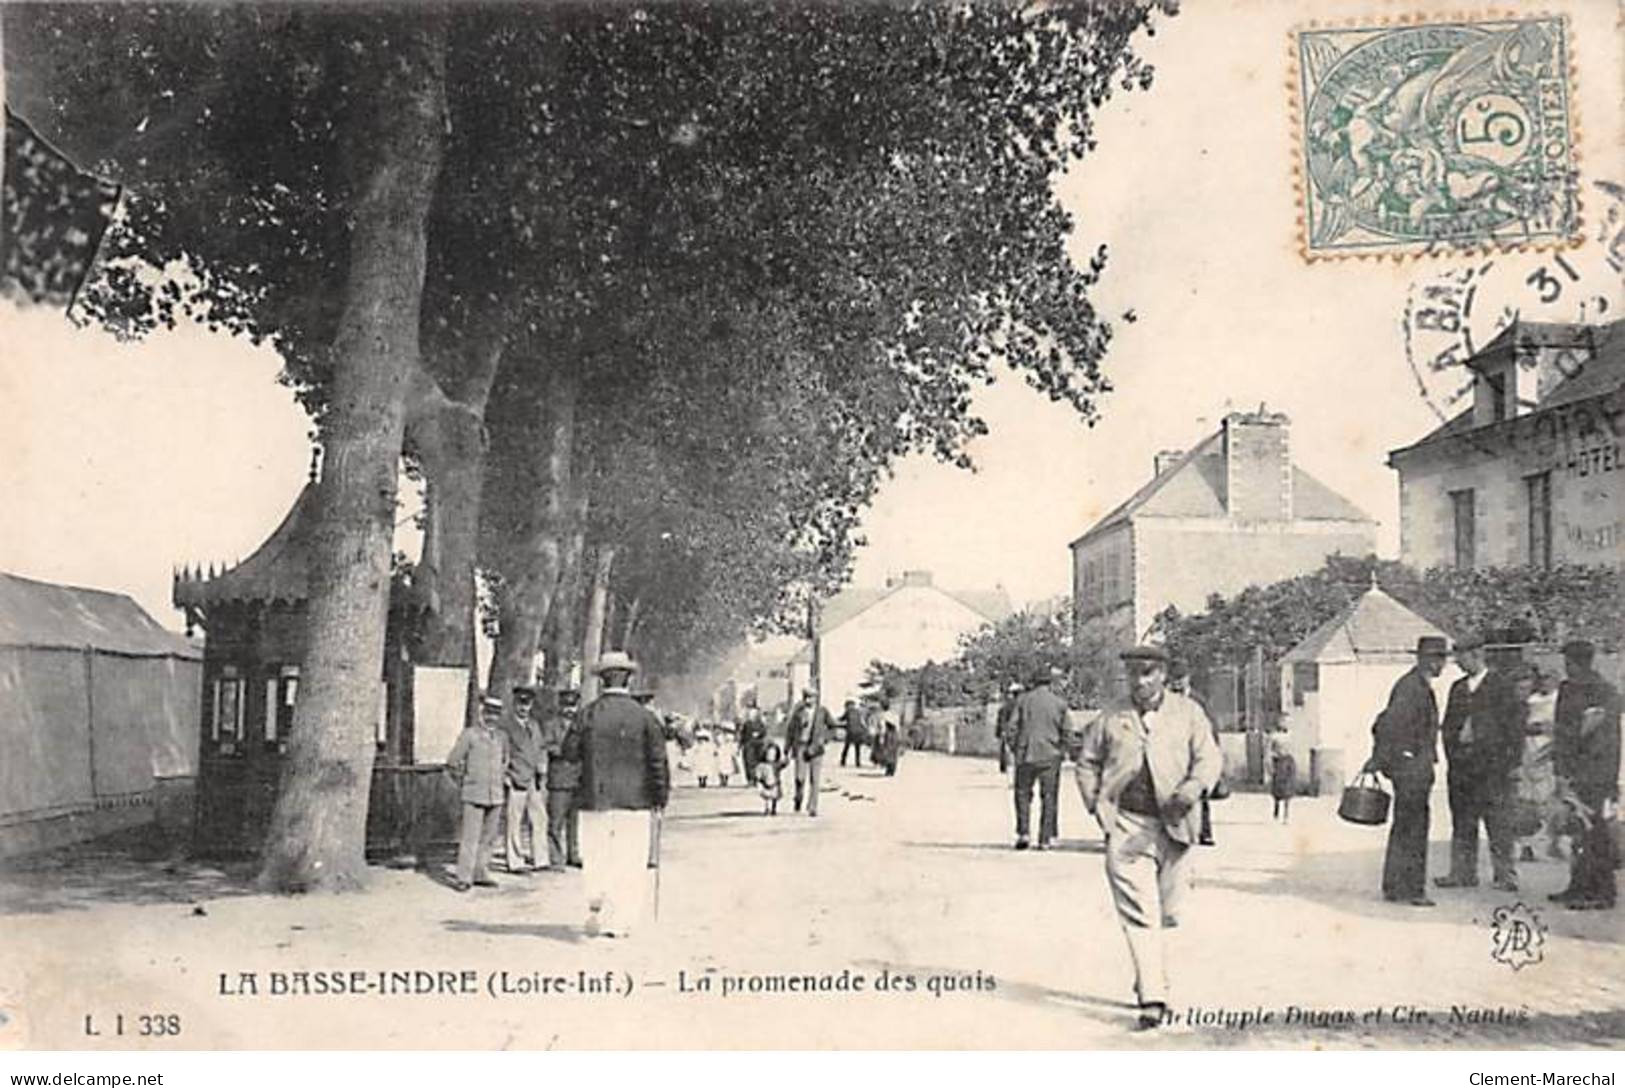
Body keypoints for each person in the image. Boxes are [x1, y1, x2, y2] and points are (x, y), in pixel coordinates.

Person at [1074, 643, 1222, 1031]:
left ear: (1163, 675)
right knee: (1141, 913)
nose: (1139, 682)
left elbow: (1209, 758)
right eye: (1133, 674)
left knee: (1170, 912)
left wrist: (1193, 789)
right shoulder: (1111, 716)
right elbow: (1086, 760)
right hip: (1128, 825)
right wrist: (1096, 804)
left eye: (1148, 673)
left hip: (1178, 824)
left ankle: (1149, 973)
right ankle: (1153, 997)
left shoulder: (1188, 714)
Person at [576, 651, 670, 938]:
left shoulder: (588, 714)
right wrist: (660, 796)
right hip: (635, 800)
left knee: (595, 856)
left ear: (602, 679)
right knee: (629, 859)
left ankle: (597, 906)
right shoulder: (645, 717)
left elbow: (569, 752)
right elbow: (658, 760)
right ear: (628, 678)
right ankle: (620, 921)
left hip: (595, 798)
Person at [1366, 635, 1447, 907]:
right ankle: (1411, 889)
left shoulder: (1416, 685)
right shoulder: (1411, 687)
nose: (1441, 663)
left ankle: (1396, 886)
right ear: (1422, 658)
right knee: (1413, 827)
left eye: (1442, 657)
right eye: (1436, 657)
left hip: (1414, 766)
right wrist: (1404, 754)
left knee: (1406, 825)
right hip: (1411, 769)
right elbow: (1388, 723)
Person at [1435, 636, 1521, 892]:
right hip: (1462, 769)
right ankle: (1462, 873)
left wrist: (1510, 763)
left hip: (1493, 769)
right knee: (1463, 821)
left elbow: (1514, 729)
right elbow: (1448, 727)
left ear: (1476, 654)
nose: (1457, 662)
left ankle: (1505, 875)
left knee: (1499, 822)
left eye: (1460, 656)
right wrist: (1453, 756)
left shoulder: (1502, 687)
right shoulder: (1457, 688)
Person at [1550, 640, 1620, 911]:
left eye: (1570, 662)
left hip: (1595, 774)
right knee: (1577, 832)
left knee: (1596, 833)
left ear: (1582, 663)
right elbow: (1561, 730)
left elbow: (1602, 739)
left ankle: (1602, 892)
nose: (1567, 667)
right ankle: (1578, 885)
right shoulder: (1567, 689)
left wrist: (1600, 779)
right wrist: (1560, 768)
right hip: (1572, 770)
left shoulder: (1604, 692)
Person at [445, 694, 511, 892]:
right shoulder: (470, 735)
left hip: (495, 794)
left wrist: (500, 778)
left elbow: (505, 761)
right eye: (489, 713)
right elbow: (452, 763)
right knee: (470, 837)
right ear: (482, 713)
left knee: (489, 837)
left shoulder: (502, 737)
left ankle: (480, 872)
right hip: (474, 793)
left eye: (496, 714)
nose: (492, 718)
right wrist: (466, 782)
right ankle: (463, 877)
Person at [1009, 668, 1068, 850]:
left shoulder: (1022, 701)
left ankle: (1024, 833)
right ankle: (1045, 839)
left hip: (1026, 755)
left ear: (1033, 682)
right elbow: (1067, 732)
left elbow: (1011, 728)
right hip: (1050, 756)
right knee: (1049, 798)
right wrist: (1062, 751)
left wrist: (1016, 748)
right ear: (1050, 683)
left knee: (1022, 795)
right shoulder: (1059, 704)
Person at [502, 685, 547, 874]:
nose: (523, 707)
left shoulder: (535, 725)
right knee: (514, 820)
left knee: (540, 818)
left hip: (534, 780)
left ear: (531, 705)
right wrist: (505, 775)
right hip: (516, 777)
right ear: (514, 704)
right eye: (520, 703)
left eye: (527, 703)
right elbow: (501, 753)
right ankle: (515, 861)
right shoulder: (506, 726)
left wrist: (542, 767)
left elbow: (541, 747)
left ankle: (541, 859)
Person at [542, 689, 584, 870]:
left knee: (574, 821)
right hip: (558, 779)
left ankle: (573, 854)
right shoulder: (552, 725)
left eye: (573, 706)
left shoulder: (581, 726)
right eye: (566, 706)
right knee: (556, 821)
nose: (570, 710)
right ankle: (556, 858)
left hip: (577, 778)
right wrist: (563, 751)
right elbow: (546, 745)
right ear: (560, 706)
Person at [785, 689, 833, 816]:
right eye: (806, 697)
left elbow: (832, 726)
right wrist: (787, 749)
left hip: (816, 748)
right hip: (800, 746)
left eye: (810, 697)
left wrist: (825, 739)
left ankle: (813, 807)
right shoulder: (798, 713)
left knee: (815, 779)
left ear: (816, 698)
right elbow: (790, 731)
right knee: (799, 777)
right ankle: (798, 798)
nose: (808, 700)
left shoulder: (822, 712)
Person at [738, 704, 768, 786]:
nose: (753, 715)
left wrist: (759, 734)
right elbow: (742, 735)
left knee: (758, 763)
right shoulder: (746, 724)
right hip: (748, 745)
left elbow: (764, 733)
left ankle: (756, 779)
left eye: (755, 713)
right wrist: (740, 745)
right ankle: (750, 779)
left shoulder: (761, 724)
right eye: (752, 713)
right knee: (749, 762)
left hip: (758, 745)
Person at [996, 682, 1022, 775]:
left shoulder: (1006, 706)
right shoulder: (1024, 704)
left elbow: (1002, 720)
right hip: (1022, 732)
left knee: (1009, 753)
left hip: (1009, 732)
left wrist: (1001, 732)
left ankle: (1009, 771)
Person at [756, 738, 787, 814]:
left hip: (775, 783)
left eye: (773, 755)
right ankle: (767, 807)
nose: (770, 757)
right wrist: (758, 778)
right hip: (765, 784)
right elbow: (758, 772)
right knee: (767, 796)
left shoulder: (777, 764)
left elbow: (783, 764)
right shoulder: (762, 765)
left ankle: (774, 808)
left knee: (774, 796)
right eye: (769, 755)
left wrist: (786, 759)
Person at [1269, 735, 1296, 822]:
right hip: (1277, 781)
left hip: (1286, 781)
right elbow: (1272, 769)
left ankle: (1285, 816)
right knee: (1276, 799)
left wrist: (1290, 779)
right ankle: (1276, 814)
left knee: (1286, 799)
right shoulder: (1275, 759)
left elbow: (1292, 770)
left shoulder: (1289, 759)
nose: (1278, 751)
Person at [839, 698, 869, 767]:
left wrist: (835, 720)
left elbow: (842, 719)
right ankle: (858, 762)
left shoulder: (848, 711)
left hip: (850, 731)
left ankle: (843, 761)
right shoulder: (858, 711)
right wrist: (865, 729)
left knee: (846, 746)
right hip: (858, 731)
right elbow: (862, 722)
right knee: (857, 748)